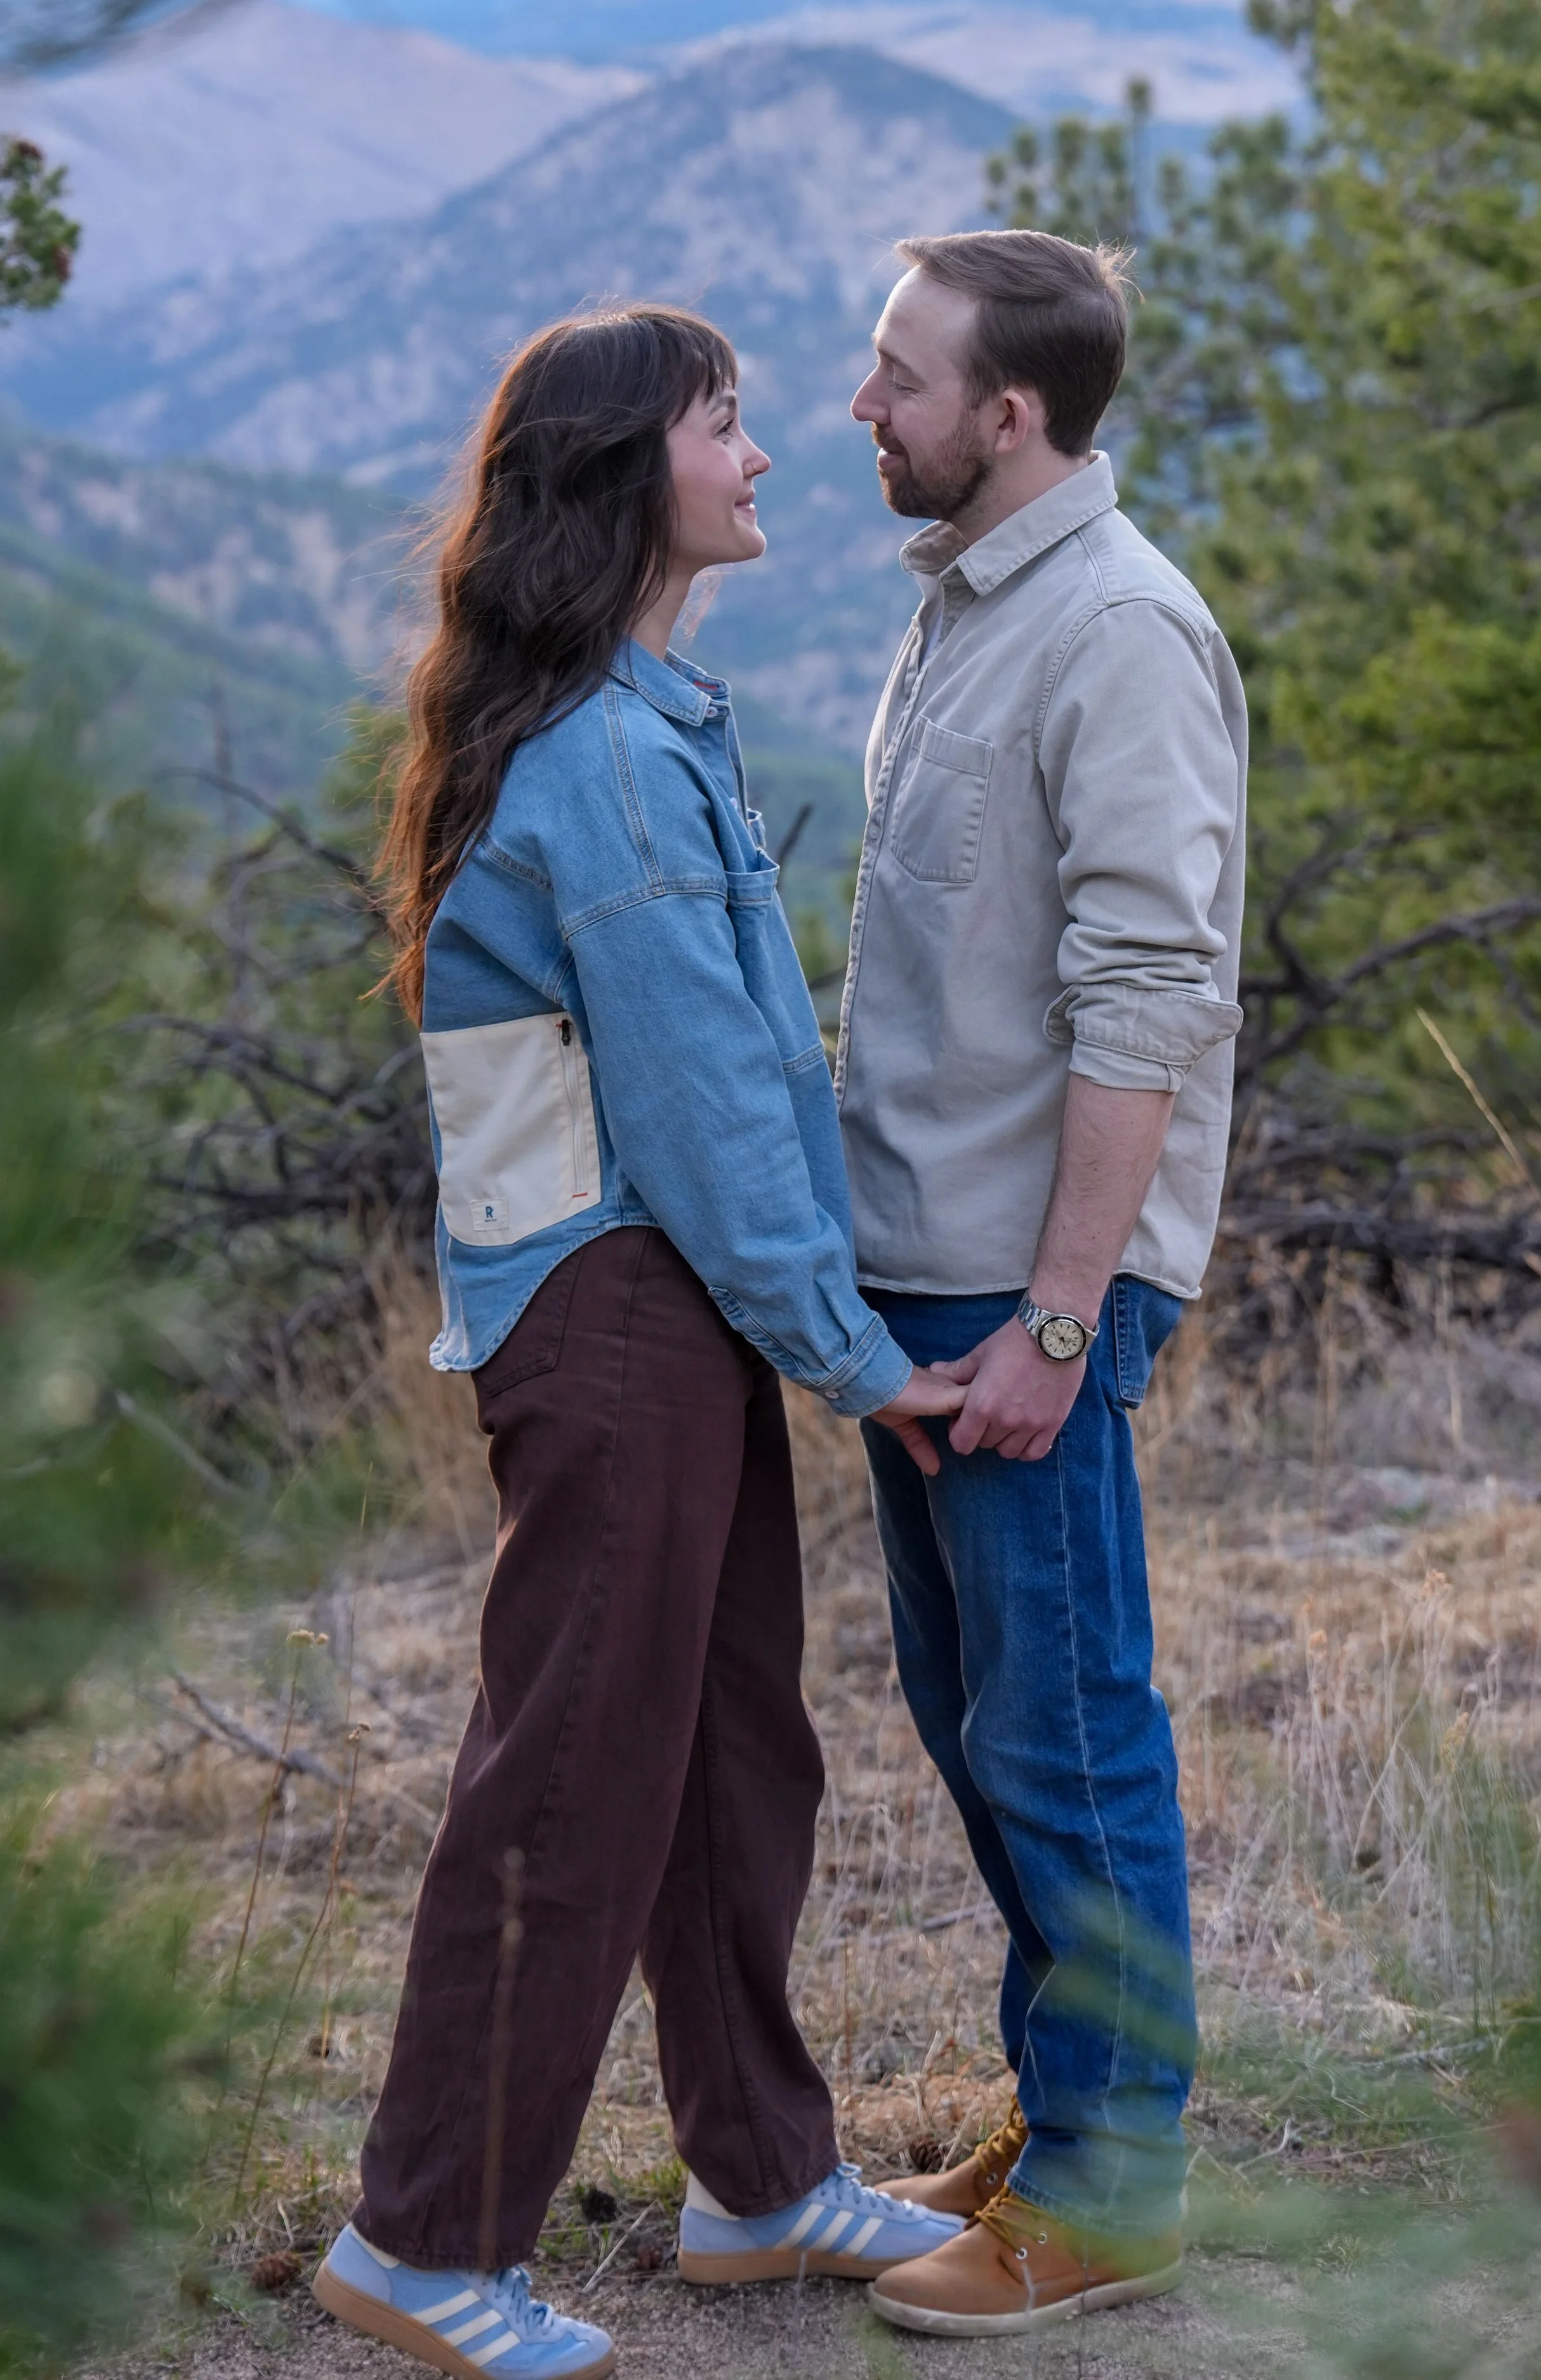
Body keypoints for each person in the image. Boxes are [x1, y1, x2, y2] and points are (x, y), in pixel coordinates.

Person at [310, 301, 964, 2380]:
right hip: (613, 1304)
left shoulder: (640, 714)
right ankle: (420, 2239)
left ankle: (758, 2174)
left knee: (718, 1741)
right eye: (727, 424)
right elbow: (691, 1100)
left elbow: (729, 1079)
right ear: (627, 470)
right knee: (574, 1772)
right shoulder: (602, 752)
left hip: (655, 1302)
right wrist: (852, 1350)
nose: (763, 455)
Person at [835, 230, 1248, 2338]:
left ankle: (1112, 2189)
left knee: (1069, 1736)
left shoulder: (1115, 631)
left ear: (1008, 414)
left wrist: (1062, 1320)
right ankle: (1059, 2120)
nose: (856, 402)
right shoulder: (967, 603)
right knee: (983, 1727)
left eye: (896, 373)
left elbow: (1144, 996)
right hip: (924, 1288)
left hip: (1024, 1295)